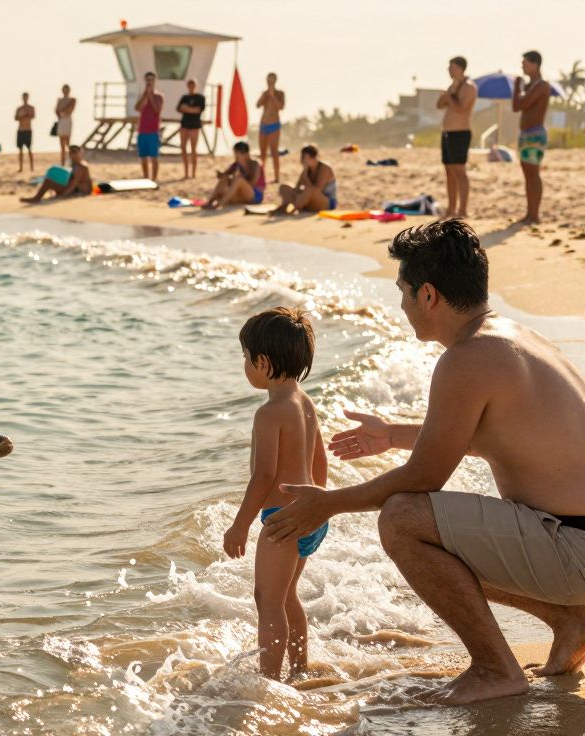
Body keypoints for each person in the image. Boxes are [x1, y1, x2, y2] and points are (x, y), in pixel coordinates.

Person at [266, 219, 585, 704]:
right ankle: (568, 620)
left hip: (573, 546)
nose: (401, 304)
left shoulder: (468, 357)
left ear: (429, 295)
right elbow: (495, 438)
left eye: (403, 291)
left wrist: (327, 504)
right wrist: (393, 435)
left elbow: (425, 477)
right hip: (571, 537)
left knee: (403, 519)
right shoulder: (513, 337)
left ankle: (495, 668)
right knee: (428, 520)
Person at [223, 307, 326, 681]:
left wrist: (240, 526)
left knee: (268, 600)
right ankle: (299, 668)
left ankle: (270, 681)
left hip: (282, 521)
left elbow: (264, 476)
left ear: (263, 363)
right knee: (286, 596)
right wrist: (321, 507)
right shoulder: (303, 400)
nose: (245, 365)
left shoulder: (269, 413)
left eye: (246, 358)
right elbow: (320, 460)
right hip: (309, 514)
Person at [512, 50, 551, 224]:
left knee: (533, 174)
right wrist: (519, 89)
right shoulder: (529, 85)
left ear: (535, 64)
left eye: (525, 63)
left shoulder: (541, 85)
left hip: (535, 134)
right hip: (526, 134)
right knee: (527, 173)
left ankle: (535, 215)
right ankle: (530, 213)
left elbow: (521, 104)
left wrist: (517, 88)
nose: (522, 66)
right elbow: (516, 106)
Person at [436, 57, 477, 218]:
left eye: (452, 67)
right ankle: (451, 208)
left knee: (460, 171)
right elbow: (439, 105)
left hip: (460, 133)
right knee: (449, 170)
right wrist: (446, 95)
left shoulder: (469, 87)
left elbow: (461, 108)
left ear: (460, 68)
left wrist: (449, 97)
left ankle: (463, 210)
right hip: (447, 133)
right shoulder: (452, 86)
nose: (449, 70)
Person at [270, 146, 335, 215]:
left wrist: (305, 175)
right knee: (284, 187)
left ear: (314, 157)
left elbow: (317, 190)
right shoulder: (307, 170)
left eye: (305, 158)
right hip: (308, 202)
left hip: (326, 202)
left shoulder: (324, 168)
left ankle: (293, 210)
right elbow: (297, 188)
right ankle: (285, 206)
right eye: (302, 158)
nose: (303, 161)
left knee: (309, 190)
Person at [203, 142, 265, 209]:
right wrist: (221, 174)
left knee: (239, 180)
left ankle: (220, 204)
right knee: (224, 180)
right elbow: (224, 176)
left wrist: (239, 179)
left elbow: (252, 183)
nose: (236, 157)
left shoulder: (255, 164)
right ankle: (209, 201)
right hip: (242, 195)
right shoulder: (236, 164)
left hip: (255, 195)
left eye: (237, 155)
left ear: (245, 154)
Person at [19, 145, 91, 203]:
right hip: (73, 189)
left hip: (79, 191)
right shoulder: (74, 164)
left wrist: (63, 196)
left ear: (80, 153)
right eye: (71, 152)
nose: (73, 154)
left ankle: (36, 198)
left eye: (75, 152)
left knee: (48, 182)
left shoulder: (81, 166)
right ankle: (37, 197)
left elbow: (74, 183)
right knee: (51, 179)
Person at [256, 74, 285, 182]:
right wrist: (266, 95)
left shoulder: (280, 93)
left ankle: (277, 177)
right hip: (263, 124)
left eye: (272, 81)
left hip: (274, 124)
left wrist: (273, 96)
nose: (270, 82)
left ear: (275, 81)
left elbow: (281, 107)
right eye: (268, 80)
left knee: (274, 152)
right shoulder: (265, 93)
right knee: (262, 153)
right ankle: (260, 177)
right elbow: (258, 105)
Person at [134, 72, 164, 181]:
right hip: (142, 130)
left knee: (154, 156)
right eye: (147, 80)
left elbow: (157, 109)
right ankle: (145, 177)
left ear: (154, 81)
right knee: (143, 156)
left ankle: (154, 178)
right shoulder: (143, 96)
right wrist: (145, 95)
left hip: (153, 131)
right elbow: (137, 108)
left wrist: (150, 95)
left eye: (151, 79)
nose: (149, 82)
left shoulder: (159, 96)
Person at [177, 79, 206, 179]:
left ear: (196, 86)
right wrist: (191, 110)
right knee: (183, 148)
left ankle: (193, 173)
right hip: (184, 125)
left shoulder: (200, 98)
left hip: (194, 126)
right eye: (190, 85)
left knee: (193, 149)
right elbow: (179, 108)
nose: (191, 86)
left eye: (193, 85)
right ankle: (186, 173)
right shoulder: (184, 97)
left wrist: (187, 109)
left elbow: (198, 110)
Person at [55, 84, 77, 166]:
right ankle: (62, 164)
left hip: (67, 121)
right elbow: (56, 111)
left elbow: (70, 110)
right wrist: (62, 113)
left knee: (68, 143)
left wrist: (62, 111)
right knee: (62, 146)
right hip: (61, 121)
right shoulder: (59, 100)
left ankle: (71, 162)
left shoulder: (72, 99)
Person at [15, 92, 36, 173]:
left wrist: (25, 115)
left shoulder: (31, 108)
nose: (25, 98)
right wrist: (22, 116)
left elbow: (32, 116)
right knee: (20, 150)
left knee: (29, 149)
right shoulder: (19, 108)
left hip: (28, 130)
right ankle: (21, 167)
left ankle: (31, 167)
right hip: (20, 130)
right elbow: (16, 118)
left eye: (26, 97)